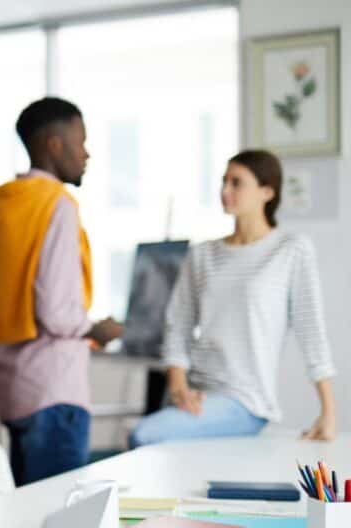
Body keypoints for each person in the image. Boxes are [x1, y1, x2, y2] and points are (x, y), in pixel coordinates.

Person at [129, 150, 336, 447]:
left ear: (267, 191)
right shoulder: (202, 254)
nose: (225, 191)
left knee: (144, 434)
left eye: (237, 183)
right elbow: (179, 327)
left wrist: (328, 411)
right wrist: (178, 387)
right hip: (195, 395)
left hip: (245, 402)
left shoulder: (291, 250)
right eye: (223, 181)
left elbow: (311, 332)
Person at [0, 97, 123, 486]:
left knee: (24, 523)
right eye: (80, 141)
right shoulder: (57, 205)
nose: (87, 153)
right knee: (57, 520)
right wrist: (98, 330)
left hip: (16, 388)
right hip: (56, 390)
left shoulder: (5, 205)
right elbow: (58, 312)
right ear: (54, 144)